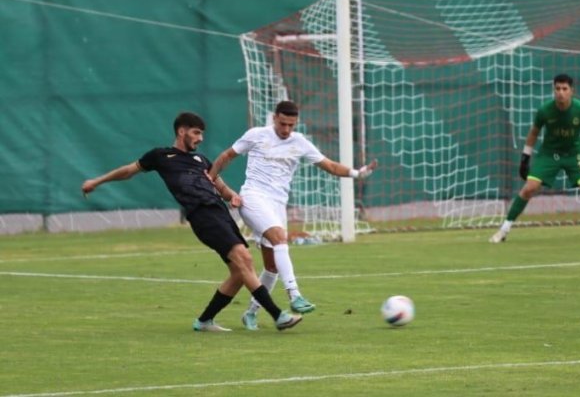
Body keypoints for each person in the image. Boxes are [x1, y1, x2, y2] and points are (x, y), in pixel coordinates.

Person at [81, 111, 302, 333]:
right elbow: (128, 171)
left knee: (238, 271)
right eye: (196, 133)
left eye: (202, 134)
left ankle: (205, 321)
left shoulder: (201, 160)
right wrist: (97, 182)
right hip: (202, 215)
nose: (200, 138)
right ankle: (277, 315)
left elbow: (221, 187)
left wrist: (233, 196)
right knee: (244, 259)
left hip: (221, 213)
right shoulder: (160, 156)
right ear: (181, 131)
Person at [209, 100, 377, 331]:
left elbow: (329, 165)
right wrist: (211, 178)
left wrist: (358, 173)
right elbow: (227, 155)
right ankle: (295, 295)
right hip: (254, 197)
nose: (286, 129)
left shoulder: (300, 142)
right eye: (282, 123)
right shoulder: (257, 135)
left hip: (278, 206)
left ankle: (250, 313)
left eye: (291, 125)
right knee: (280, 239)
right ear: (274, 118)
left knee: (272, 267)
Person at [490, 73, 580, 243]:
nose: (560, 92)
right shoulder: (545, 110)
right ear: (553, 90)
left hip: (574, 154)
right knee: (529, 188)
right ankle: (503, 231)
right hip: (549, 154)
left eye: (565, 89)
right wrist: (525, 158)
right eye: (557, 88)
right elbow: (533, 133)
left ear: (572, 91)